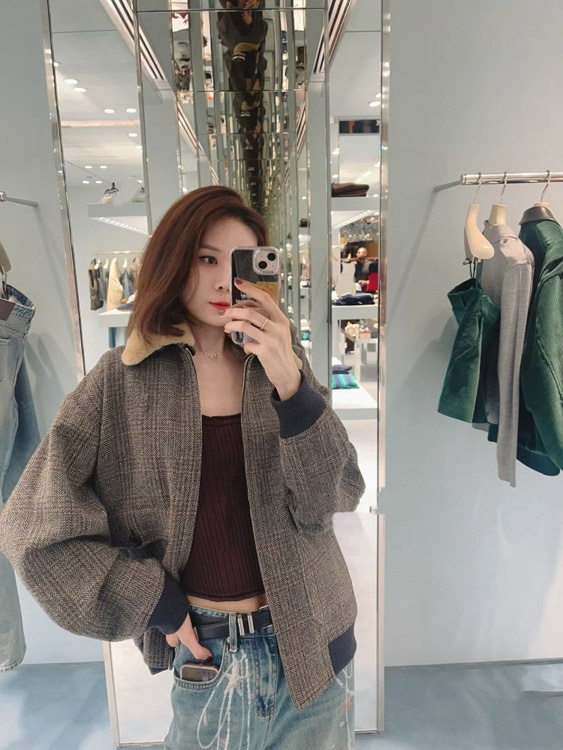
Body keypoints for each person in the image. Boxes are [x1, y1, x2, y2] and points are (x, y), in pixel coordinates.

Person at [0, 185, 365, 749]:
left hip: (317, 648)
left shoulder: (282, 365)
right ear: (173, 262)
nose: (223, 282)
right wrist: (152, 601)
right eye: (206, 259)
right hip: (208, 656)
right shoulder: (119, 381)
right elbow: (33, 526)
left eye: (238, 263)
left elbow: (335, 494)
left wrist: (292, 384)